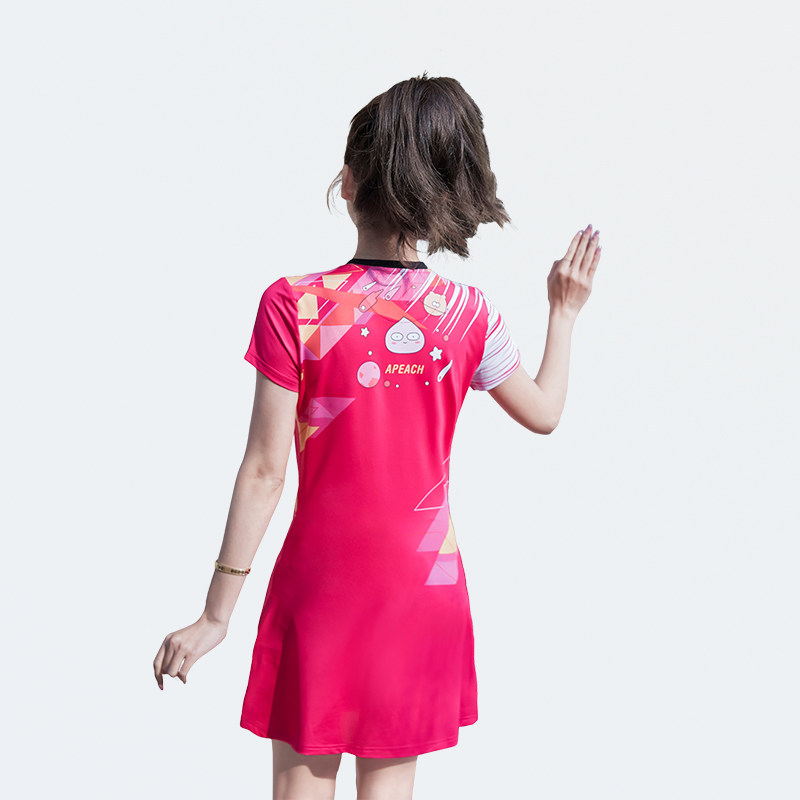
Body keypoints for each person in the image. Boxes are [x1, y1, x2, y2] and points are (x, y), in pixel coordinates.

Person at [153, 72, 602, 800]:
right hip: (421, 590)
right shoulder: (468, 315)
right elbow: (545, 411)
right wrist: (564, 312)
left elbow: (266, 469)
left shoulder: (295, 306)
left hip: (322, 590)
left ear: (350, 179)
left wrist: (215, 614)